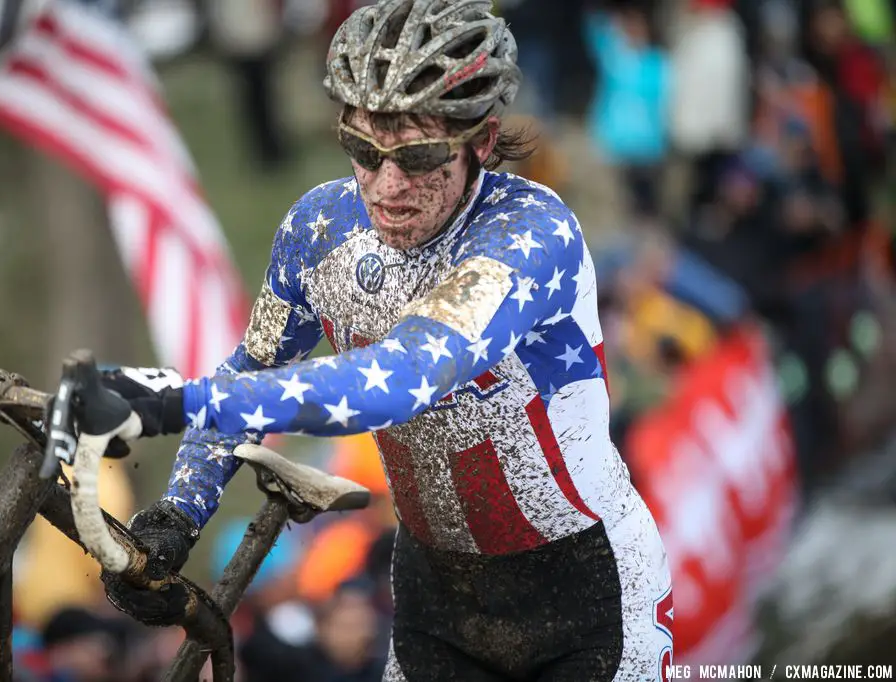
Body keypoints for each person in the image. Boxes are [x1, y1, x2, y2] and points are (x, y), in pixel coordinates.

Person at [97, 1, 673, 679]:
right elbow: (250, 365)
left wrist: (174, 401)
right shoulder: (321, 229)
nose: (388, 185)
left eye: (420, 155)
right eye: (364, 151)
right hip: (435, 594)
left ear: (482, 143)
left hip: (586, 589)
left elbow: (401, 380)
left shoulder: (526, 232)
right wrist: (178, 513)